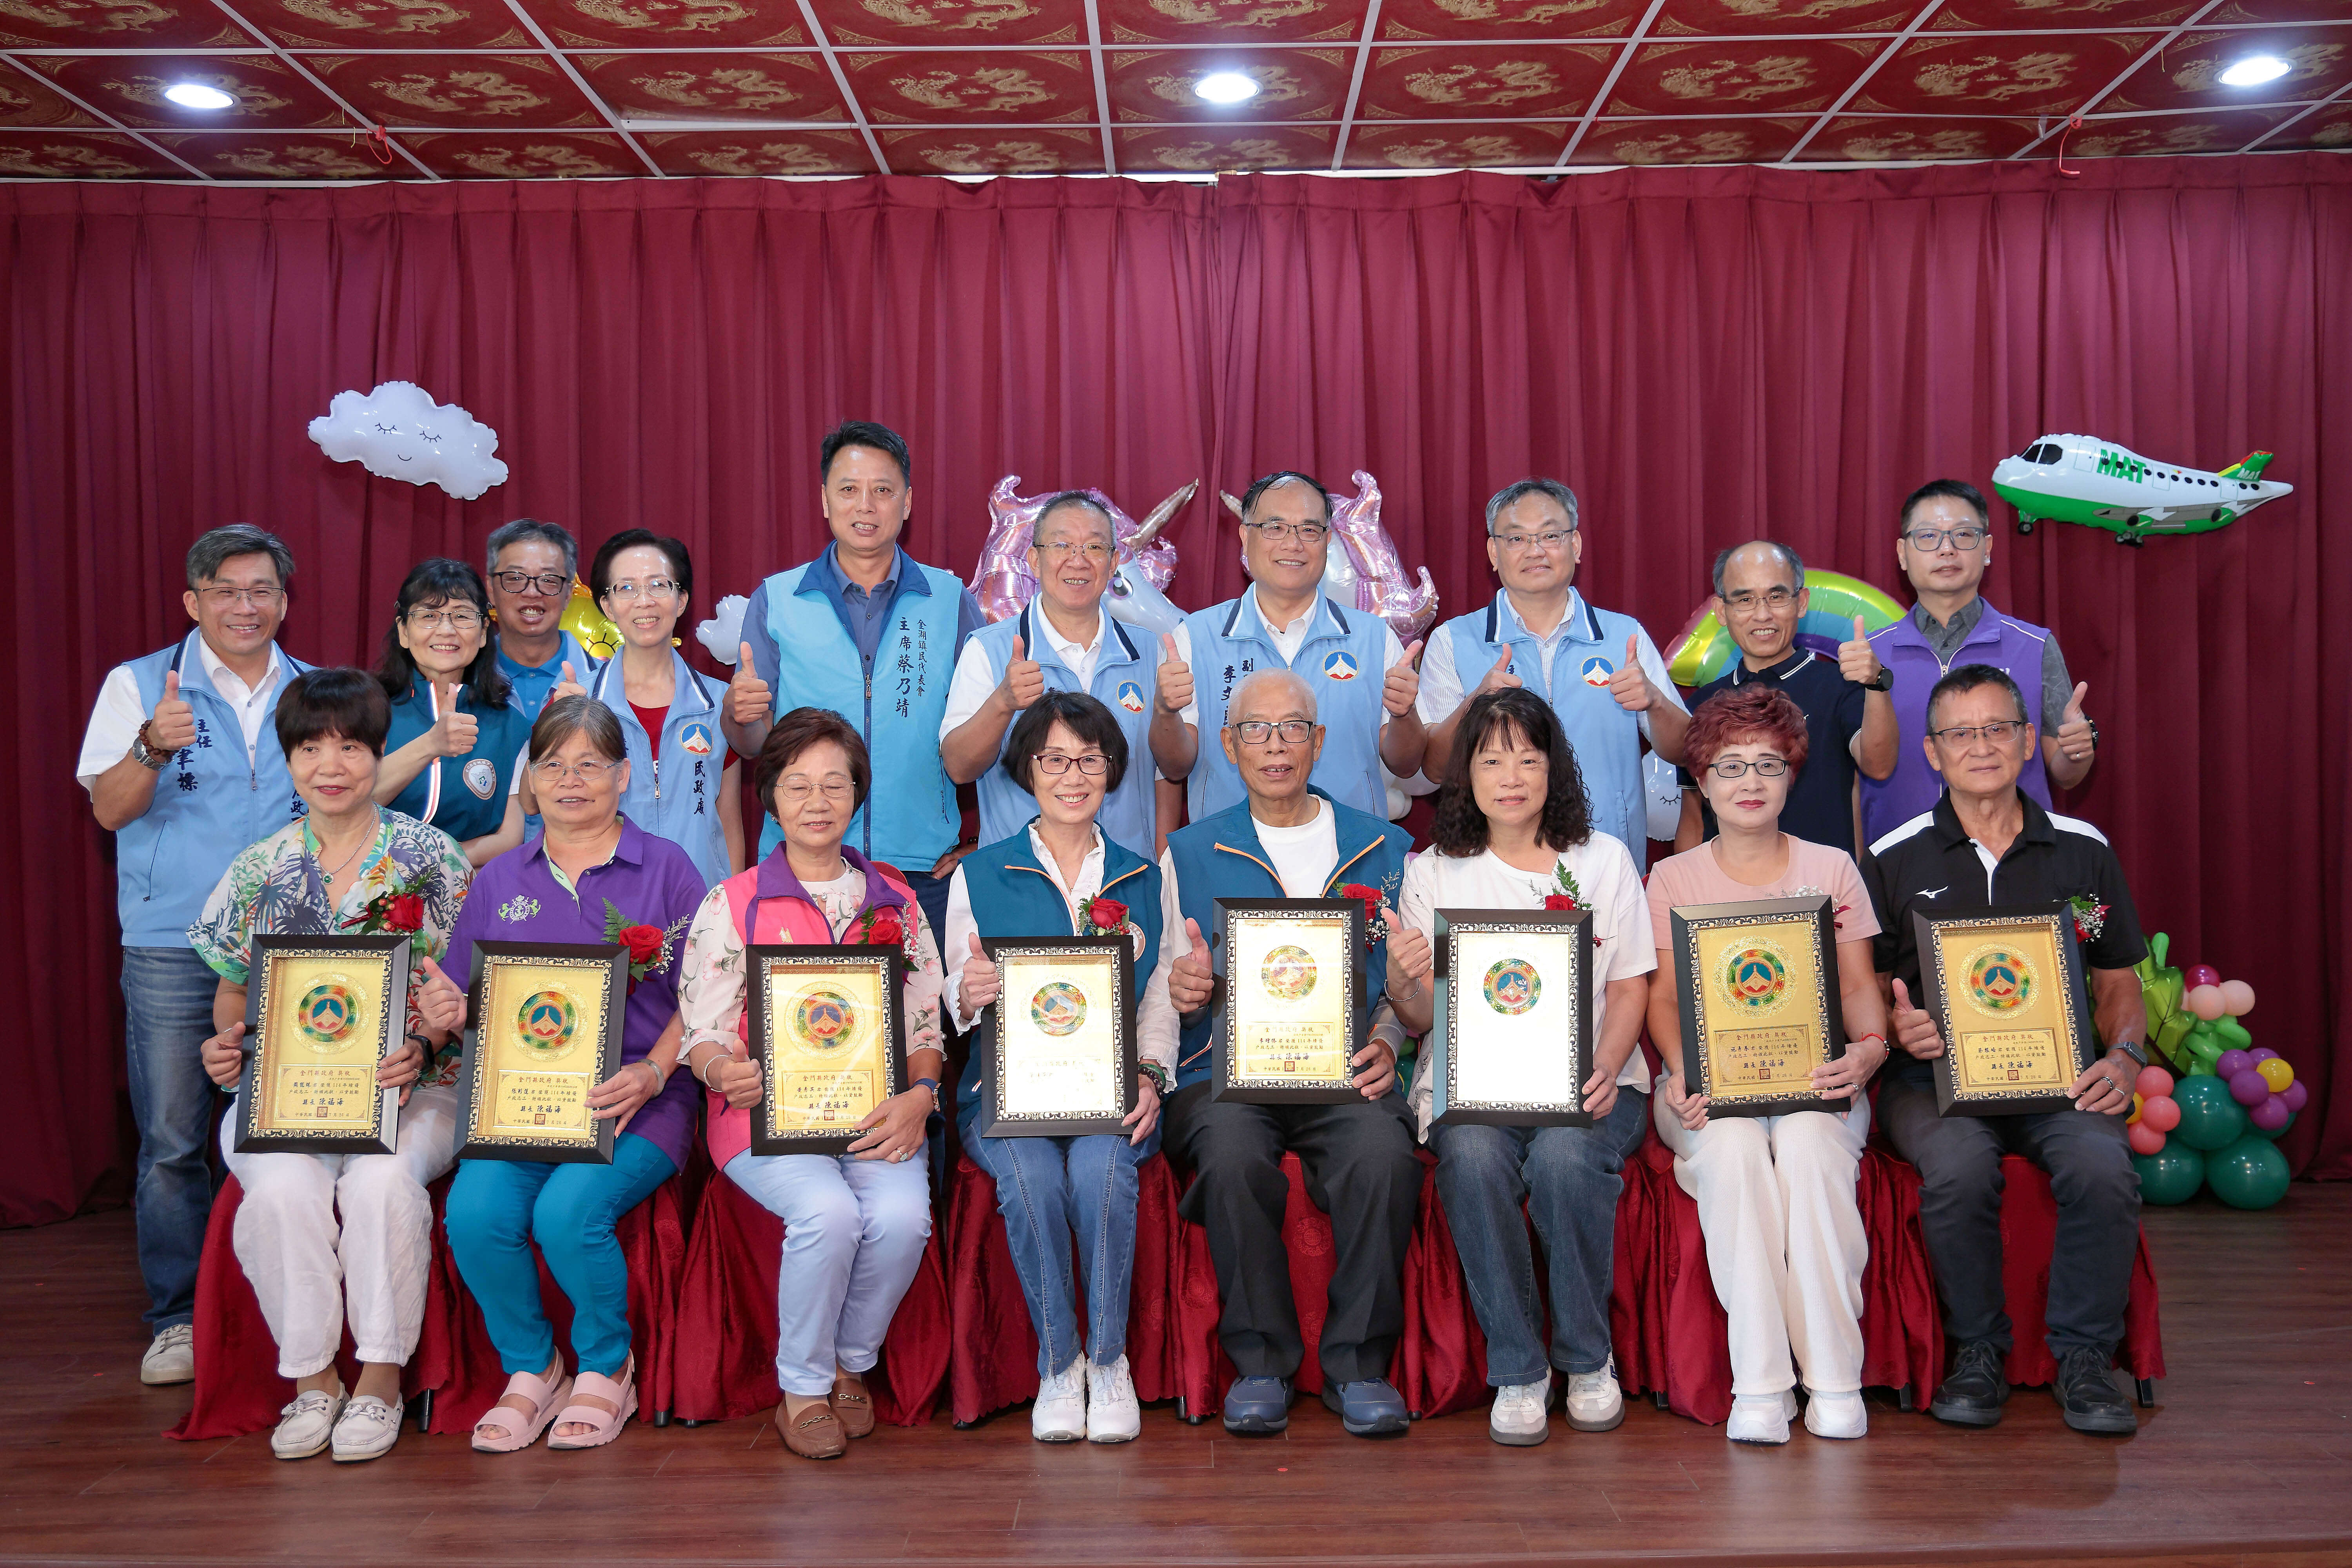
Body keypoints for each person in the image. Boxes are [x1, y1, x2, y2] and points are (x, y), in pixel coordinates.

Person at [185, 668, 473, 1462]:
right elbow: (233, 990)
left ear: (378, 754)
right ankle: (313, 1379)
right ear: (289, 761)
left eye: (350, 746)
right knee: (280, 1189)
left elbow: (466, 992)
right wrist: (228, 1044)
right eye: (310, 748)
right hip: (289, 1093)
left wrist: (429, 1043)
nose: (331, 765)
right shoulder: (259, 868)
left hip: (416, 1087)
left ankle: (380, 1378)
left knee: (380, 1183)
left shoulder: (430, 859)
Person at [1866, 664, 2150, 1435]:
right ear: (1932, 752)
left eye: (1998, 729)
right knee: (1959, 1170)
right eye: (1961, 733)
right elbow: (1870, 989)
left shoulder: (2082, 852)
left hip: (2061, 1078)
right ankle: (1978, 1351)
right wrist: (1895, 1026)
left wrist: (2125, 1057)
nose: (1981, 746)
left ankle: (2085, 1357)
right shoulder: (1894, 857)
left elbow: (2117, 978)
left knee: (2102, 1168)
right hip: (1930, 1082)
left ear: (2029, 741)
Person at [434, 697, 708, 1452]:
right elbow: (460, 997)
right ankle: (533, 1366)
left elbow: (707, 995)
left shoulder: (668, 869)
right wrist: (444, 1008)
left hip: (638, 1099)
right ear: (530, 783)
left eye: (590, 764)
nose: (571, 781)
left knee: (566, 1212)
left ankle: (606, 1365)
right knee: (475, 1214)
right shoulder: (499, 879)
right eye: (552, 765)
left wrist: (654, 1073)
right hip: (525, 1100)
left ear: (624, 777)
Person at [1153, 666, 1420, 1439]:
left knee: (1383, 1152)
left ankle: (1360, 1366)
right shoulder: (1188, 852)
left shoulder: (1384, 847)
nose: (1275, 745)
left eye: (1293, 727)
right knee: (1231, 1153)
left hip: (1344, 1068)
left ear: (1319, 740)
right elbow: (1165, 981)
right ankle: (1261, 1362)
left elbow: (1401, 984)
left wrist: (1387, 1039)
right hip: (1223, 1072)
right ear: (1229, 745)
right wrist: (1185, 987)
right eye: (1256, 730)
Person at [1385, 688, 1655, 1447]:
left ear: (1554, 768)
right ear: (1464, 775)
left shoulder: (1602, 861)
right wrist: (1405, 979)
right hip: (1475, 1088)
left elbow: (1630, 983)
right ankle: (1518, 1368)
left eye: (1529, 759)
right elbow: (1419, 1018)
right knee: (1471, 1156)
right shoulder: (1435, 872)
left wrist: (1605, 1065)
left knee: (1567, 1156)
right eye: (1491, 760)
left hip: (1592, 1080)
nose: (1511, 777)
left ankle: (1588, 1360)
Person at [677, 707, 947, 1459]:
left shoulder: (894, 899)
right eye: (799, 785)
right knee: (828, 1212)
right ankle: (800, 1388)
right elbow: (701, 1033)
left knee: (902, 1219)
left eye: (835, 784)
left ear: (859, 793)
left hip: (876, 1111)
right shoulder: (733, 901)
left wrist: (921, 1097)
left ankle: (848, 1363)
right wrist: (723, 1071)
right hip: (765, 1118)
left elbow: (926, 1025)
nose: (818, 801)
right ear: (770, 797)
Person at [78, 524, 311, 1387]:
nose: (245, 606)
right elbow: (108, 810)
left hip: (293, 946)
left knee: (288, 1130)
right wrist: (152, 744)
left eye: (261, 590)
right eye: (225, 590)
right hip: (172, 945)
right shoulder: (139, 686)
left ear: (284, 600)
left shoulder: (311, 689)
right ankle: (177, 1317)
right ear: (193, 600)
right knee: (175, 1140)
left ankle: (277, 1313)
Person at [1644, 685, 1891, 1445]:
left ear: (1790, 775)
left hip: (1817, 1078)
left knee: (1812, 1146)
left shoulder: (1831, 867)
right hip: (1702, 1084)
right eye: (1729, 766)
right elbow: (1663, 1000)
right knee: (1732, 1149)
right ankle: (1760, 1383)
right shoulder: (1674, 878)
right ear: (1702, 779)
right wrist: (1683, 1070)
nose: (1749, 781)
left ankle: (1835, 1379)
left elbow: (1858, 985)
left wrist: (1869, 1049)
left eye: (1767, 764)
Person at [942, 692, 1177, 1443]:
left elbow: (1161, 994)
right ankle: (1059, 1362)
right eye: (1054, 760)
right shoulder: (981, 875)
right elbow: (953, 994)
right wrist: (969, 992)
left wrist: (1150, 1073)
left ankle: (1108, 1362)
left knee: (1102, 1174)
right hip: (1008, 1093)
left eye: (1089, 761)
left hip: (1110, 1090)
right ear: (1027, 770)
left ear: (1111, 772)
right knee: (1033, 1179)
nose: (1073, 777)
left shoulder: (1142, 878)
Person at [720, 420, 986, 942]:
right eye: (848, 489)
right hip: (804, 864)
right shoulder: (778, 599)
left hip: (922, 869)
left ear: (907, 503)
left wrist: (988, 841)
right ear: (824, 500)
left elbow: (989, 733)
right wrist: (739, 714)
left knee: (924, 1000)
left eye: (883, 490)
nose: (865, 506)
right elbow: (753, 745)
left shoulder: (950, 600)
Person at [1418, 478, 1688, 864]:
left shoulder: (1624, 636)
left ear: (1575, 546)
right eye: (1516, 539)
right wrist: (1475, 704)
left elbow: (1686, 751)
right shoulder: (1452, 639)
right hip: (1491, 861)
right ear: (1493, 552)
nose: (1535, 550)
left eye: (1550, 535)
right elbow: (1434, 769)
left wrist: (1656, 702)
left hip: (1606, 857)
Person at [1152, 470, 1427, 823]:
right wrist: (1165, 712)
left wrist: (1405, 715)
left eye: (1309, 530)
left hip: (1349, 848)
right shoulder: (1196, 636)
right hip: (1230, 848)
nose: (1293, 544)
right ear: (1245, 536)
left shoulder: (1374, 638)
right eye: (1275, 527)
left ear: (1328, 541)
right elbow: (1175, 766)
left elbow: (1405, 765)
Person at [1860, 481, 2097, 846]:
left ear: (1987, 549)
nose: (1947, 549)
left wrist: (2077, 750)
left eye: (1963, 535)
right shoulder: (1867, 657)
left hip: (2018, 857)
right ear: (1903, 554)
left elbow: (2065, 775)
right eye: (1928, 536)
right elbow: (1854, 778)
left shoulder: (2034, 646)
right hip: (1901, 858)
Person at [940, 492, 1167, 860]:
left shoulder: (1149, 650)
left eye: (1094, 547)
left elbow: (1165, 775)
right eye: (1062, 546)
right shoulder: (988, 649)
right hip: (1020, 876)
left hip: (1126, 876)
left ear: (1114, 563)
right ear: (1034, 559)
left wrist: (1161, 865)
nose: (1078, 560)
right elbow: (958, 767)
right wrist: (1003, 703)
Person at [1673, 542, 1897, 859]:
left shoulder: (1840, 687)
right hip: (1726, 886)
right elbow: (1693, 818)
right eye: (1745, 600)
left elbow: (1880, 766)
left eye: (1776, 597)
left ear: (1801, 603)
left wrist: (1876, 684)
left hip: (1820, 883)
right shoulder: (1702, 704)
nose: (1763, 614)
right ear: (1722, 611)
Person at [581, 528, 744, 891]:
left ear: (681, 599)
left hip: (700, 902)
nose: (644, 601)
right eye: (626, 588)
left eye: (658, 585)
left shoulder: (719, 703)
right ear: (607, 606)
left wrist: (731, 905)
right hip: (605, 903)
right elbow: (533, 803)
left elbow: (728, 818)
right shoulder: (578, 701)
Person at [370, 559, 529, 868]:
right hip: (368, 887)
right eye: (429, 616)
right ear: (403, 631)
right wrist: (431, 744)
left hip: (468, 886)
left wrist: (428, 869)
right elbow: (350, 805)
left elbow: (510, 836)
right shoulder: (365, 710)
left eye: (462, 616)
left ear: (483, 632)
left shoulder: (510, 724)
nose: (446, 630)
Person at [485, 519, 602, 721]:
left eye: (548, 580)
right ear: (491, 590)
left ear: (568, 595)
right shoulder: (462, 680)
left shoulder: (607, 684)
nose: (532, 593)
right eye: (515, 578)